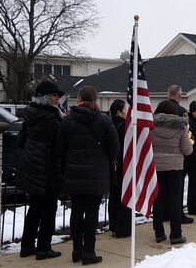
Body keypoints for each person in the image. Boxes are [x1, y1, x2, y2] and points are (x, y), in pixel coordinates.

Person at [57, 86, 119, 265]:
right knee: (92, 213)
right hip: (96, 174)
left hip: (73, 173)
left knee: (76, 212)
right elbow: (114, 149)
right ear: (96, 99)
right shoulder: (104, 121)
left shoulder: (67, 122)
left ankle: (77, 250)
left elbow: (59, 149)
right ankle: (89, 252)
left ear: (79, 98)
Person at [16, 81, 64, 260]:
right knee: (48, 209)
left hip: (32, 166)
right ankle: (44, 247)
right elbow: (59, 143)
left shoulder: (30, 114)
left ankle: (27, 246)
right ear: (45, 98)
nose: (57, 99)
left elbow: (21, 141)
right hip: (46, 169)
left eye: (57, 96)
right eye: (53, 95)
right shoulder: (50, 118)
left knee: (35, 208)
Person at [150, 100, 193, 245]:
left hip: (156, 167)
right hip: (175, 168)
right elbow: (187, 150)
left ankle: (159, 233)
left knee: (158, 200)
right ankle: (175, 234)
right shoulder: (181, 127)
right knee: (175, 201)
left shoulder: (151, 126)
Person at [167, 84, 193, 224]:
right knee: (177, 189)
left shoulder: (160, 109)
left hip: (160, 156)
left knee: (164, 189)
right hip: (178, 155)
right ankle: (178, 215)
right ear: (179, 95)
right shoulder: (182, 111)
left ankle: (165, 213)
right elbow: (187, 133)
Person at [108, 99, 132, 238]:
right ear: (118, 112)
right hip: (123, 164)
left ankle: (114, 225)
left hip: (113, 165)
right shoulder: (123, 127)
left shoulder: (110, 124)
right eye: (125, 109)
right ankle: (122, 227)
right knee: (123, 196)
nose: (128, 111)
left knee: (114, 195)